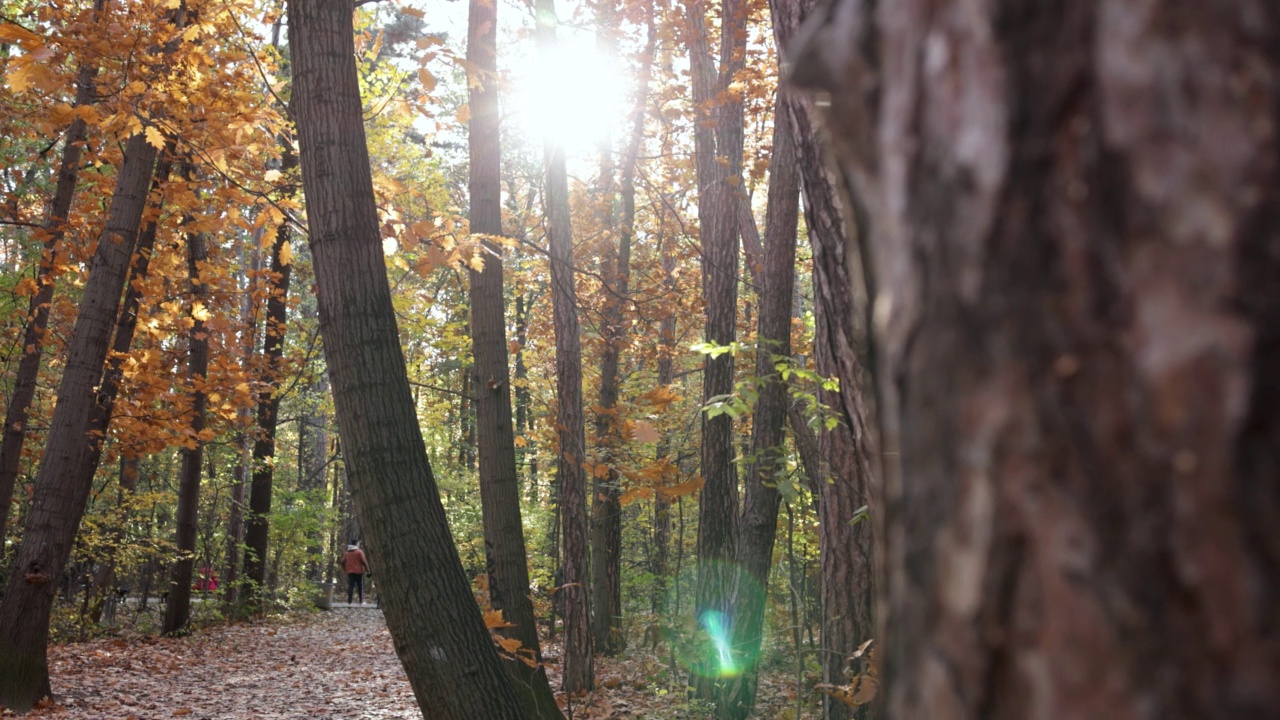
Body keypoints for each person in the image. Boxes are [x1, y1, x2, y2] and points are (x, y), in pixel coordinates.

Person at [341, 539, 370, 604]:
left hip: (350, 572)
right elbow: (363, 561)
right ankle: (361, 601)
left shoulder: (347, 553)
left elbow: (342, 562)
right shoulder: (359, 552)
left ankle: (349, 602)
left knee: (351, 586)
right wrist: (368, 570)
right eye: (358, 543)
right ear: (356, 544)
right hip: (359, 571)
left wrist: (345, 570)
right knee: (360, 586)